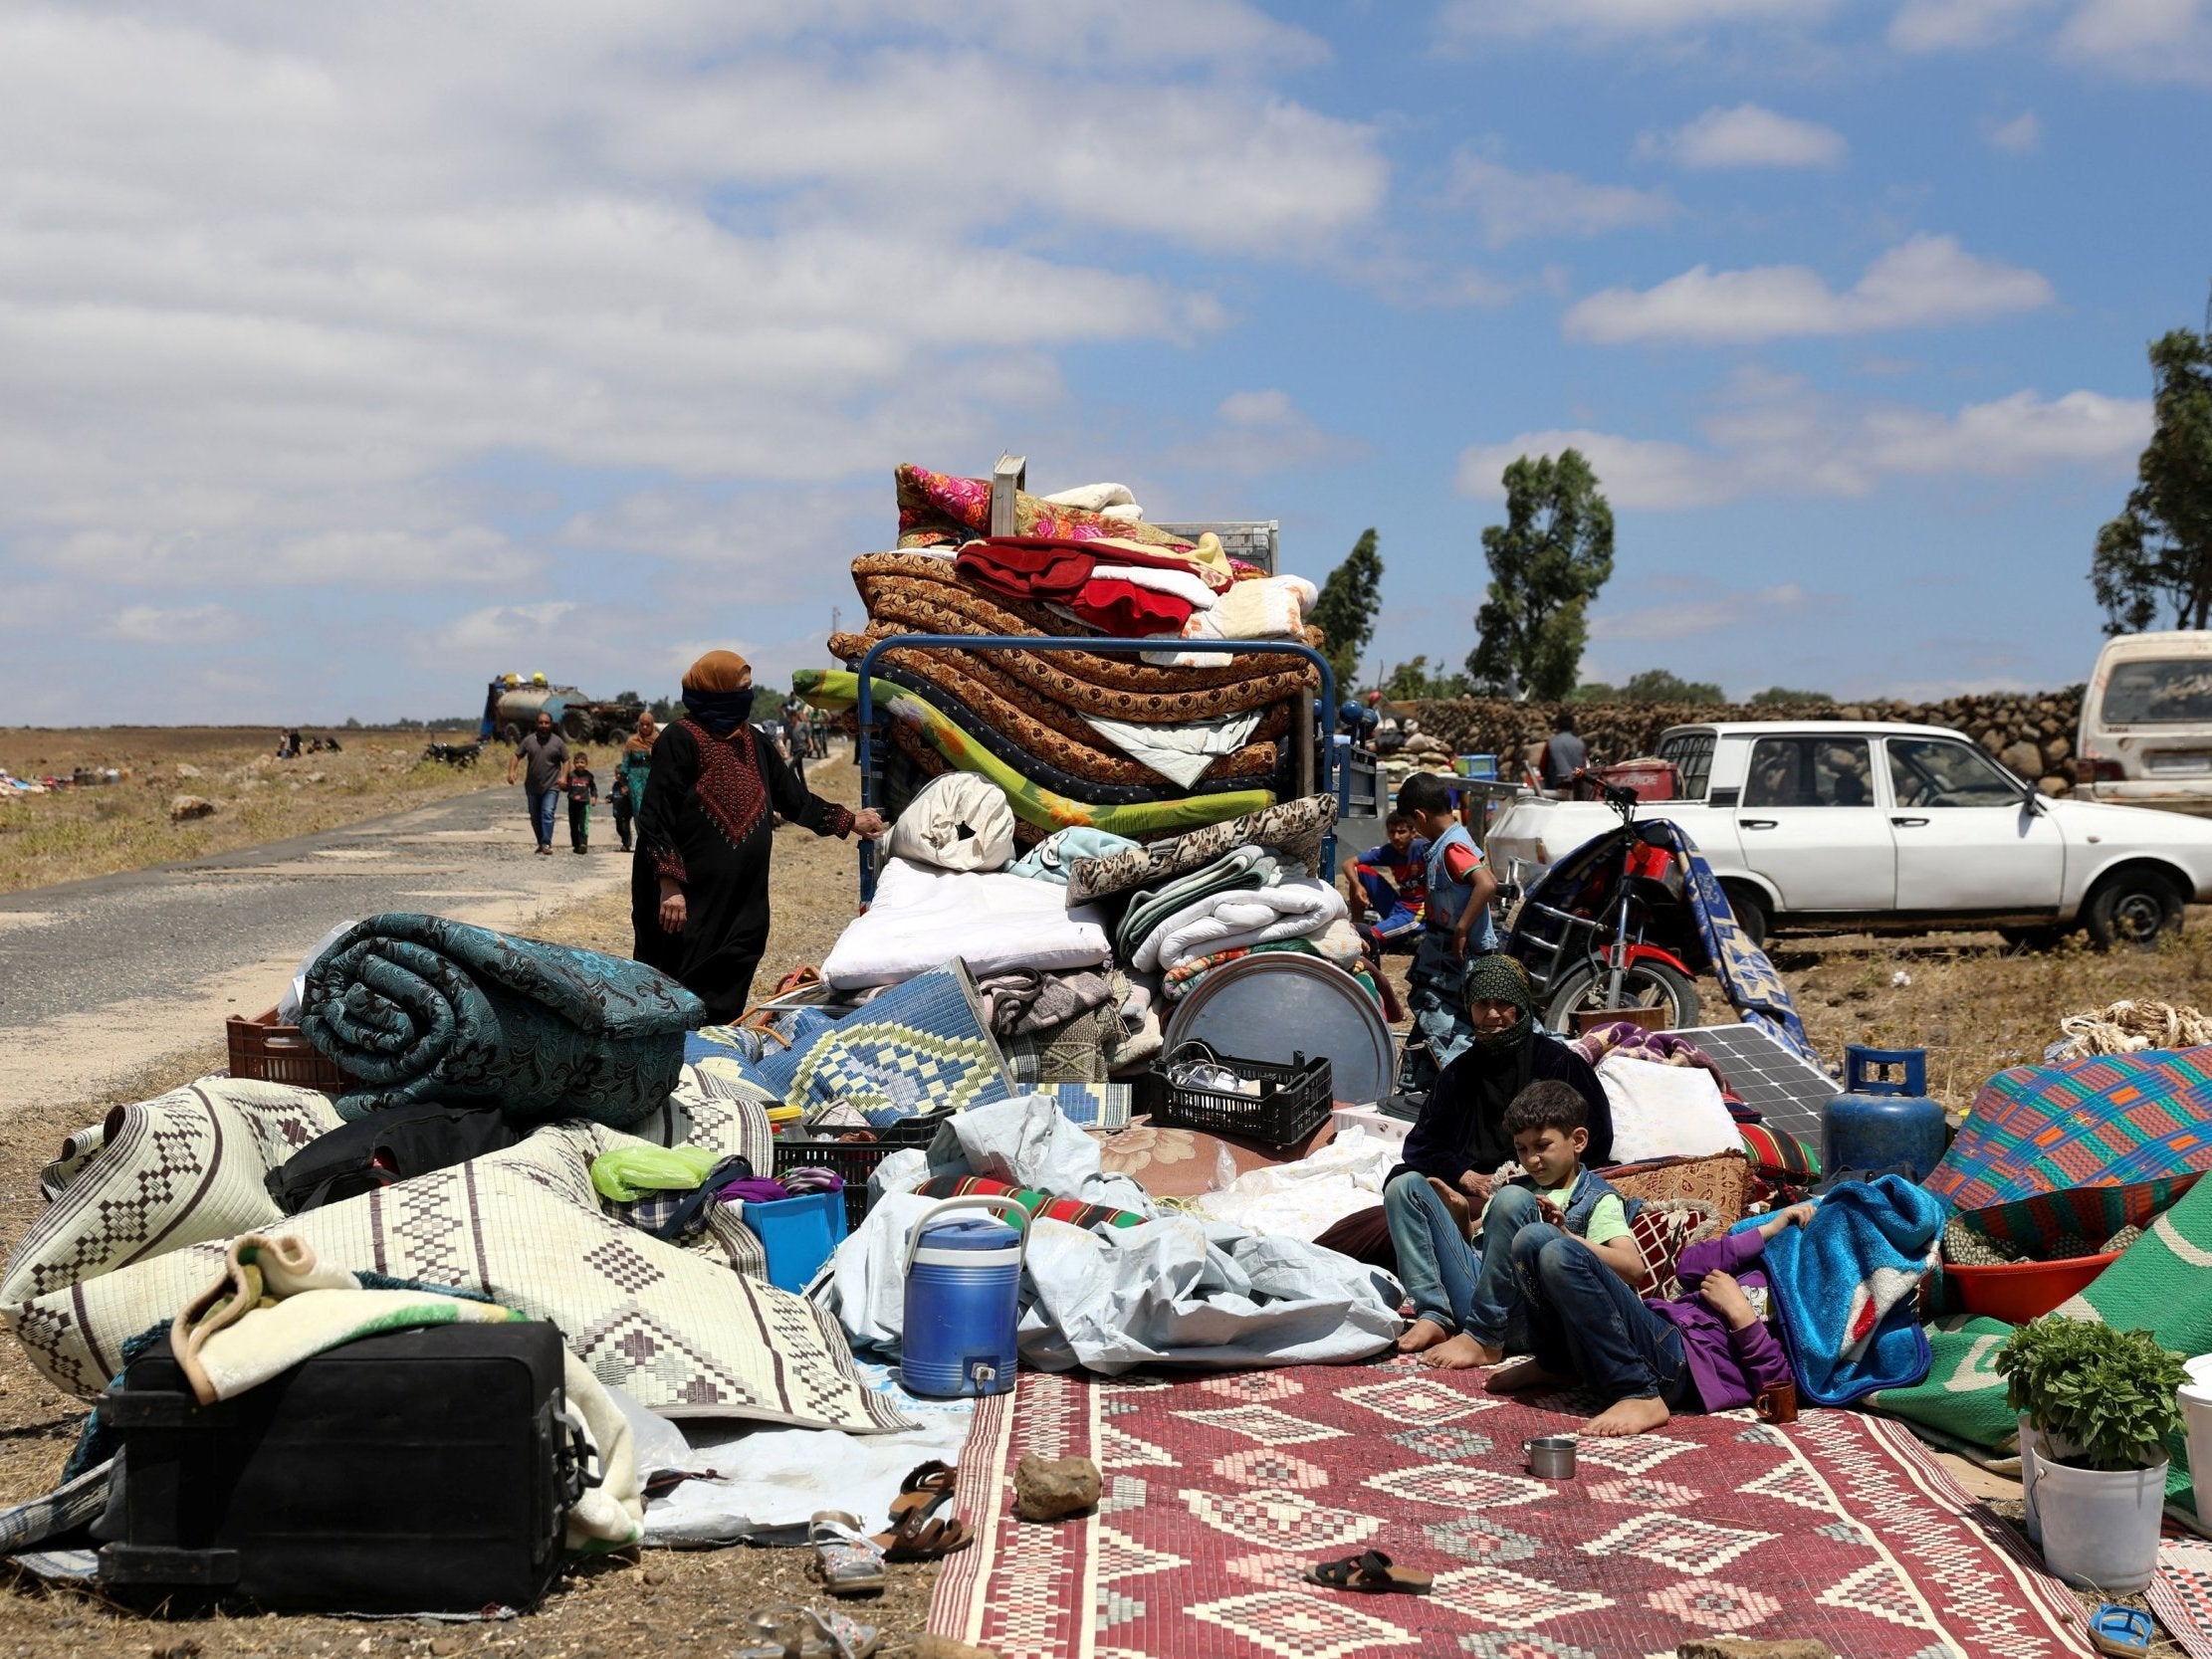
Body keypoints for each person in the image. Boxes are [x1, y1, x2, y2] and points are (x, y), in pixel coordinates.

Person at [633, 650, 887, 1021]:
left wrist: (848, 821)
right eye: (741, 688)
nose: (747, 696)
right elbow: (655, 816)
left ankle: (715, 1051)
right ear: (715, 691)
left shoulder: (754, 741)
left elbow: (794, 799)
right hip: (688, 899)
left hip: (741, 898)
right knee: (675, 980)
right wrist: (669, 884)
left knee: (734, 966)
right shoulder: (679, 739)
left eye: (749, 688)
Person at [1387, 972, 1618, 1366]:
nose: (1493, 1014)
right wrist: (1465, 1181)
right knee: (1403, 1184)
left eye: (1504, 1004)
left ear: (1523, 1005)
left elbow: (1597, 1140)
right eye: (1482, 1004)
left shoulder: (1558, 1064)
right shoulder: (1460, 1072)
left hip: (1525, 1284)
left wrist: (1537, 1185)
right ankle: (1435, 1313)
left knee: (1512, 1200)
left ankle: (1486, 1336)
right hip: (1477, 1202)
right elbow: (1422, 1146)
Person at [1490, 1201, 1815, 1438]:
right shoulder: (1760, 1262)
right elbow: (1689, 1267)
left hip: (1681, 1364)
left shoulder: (1806, 1312)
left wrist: (1743, 1317)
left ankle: (1640, 1394)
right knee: (1533, 1237)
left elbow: (1781, 1393)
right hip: (1657, 1329)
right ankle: (1555, 1363)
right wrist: (1768, 1231)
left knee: (1561, 1255)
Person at [1397, 773, 1498, 1078]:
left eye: (1413, 826)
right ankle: (1418, 1082)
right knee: (1437, 1016)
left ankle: (1464, 1080)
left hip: (1463, 956)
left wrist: (1462, 927)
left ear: (1420, 816)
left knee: (1443, 1016)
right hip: (1444, 953)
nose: (1415, 832)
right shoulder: (1450, 842)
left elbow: (1486, 883)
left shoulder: (1452, 848)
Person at [1340, 811, 1429, 947]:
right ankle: (1358, 922)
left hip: (1415, 912)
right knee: (1359, 870)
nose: (1396, 837)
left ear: (1413, 833)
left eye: (1401, 832)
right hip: (1397, 905)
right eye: (1392, 832)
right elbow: (1348, 864)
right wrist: (1357, 885)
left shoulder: (1420, 848)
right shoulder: (1389, 851)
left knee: (1367, 937)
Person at [506, 710, 568, 855]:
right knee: (535, 817)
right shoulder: (529, 741)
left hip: (552, 785)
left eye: (547, 722)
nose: (544, 725)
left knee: (547, 813)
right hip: (533, 786)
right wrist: (511, 772)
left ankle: (546, 843)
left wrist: (563, 777)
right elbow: (516, 756)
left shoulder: (558, 742)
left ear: (551, 724)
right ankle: (541, 842)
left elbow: (566, 760)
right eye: (541, 722)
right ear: (536, 724)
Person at [1539, 711, 1587, 796]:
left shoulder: (1551, 743)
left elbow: (1543, 767)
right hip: (1576, 788)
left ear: (1557, 725)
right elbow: (1583, 767)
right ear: (1573, 725)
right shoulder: (1580, 744)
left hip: (1556, 789)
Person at [565, 750, 598, 854]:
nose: (580, 764)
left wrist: (594, 797)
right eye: (577, 762)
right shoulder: (571, 775)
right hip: (573, 802)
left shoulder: (589, 776)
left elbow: (593, 787)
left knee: (583, 824)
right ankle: (576, 844)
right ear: (574, 763)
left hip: (584, 803)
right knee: (573, 824)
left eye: (582, 762)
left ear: (586, 763)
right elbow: (566, 786)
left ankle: (583, 843)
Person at [609, 766, 635, 853]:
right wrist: (609, 798)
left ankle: (626, 844)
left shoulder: (628, 785)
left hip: (626, 811)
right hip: (617, 811)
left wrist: (628, 792)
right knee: (619, 828)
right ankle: (625, 840)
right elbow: (613, 795)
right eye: (617, 774)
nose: (619, 776)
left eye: (621, 774)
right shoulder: (615, 785)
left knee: (625, 828)